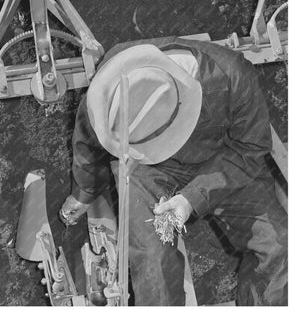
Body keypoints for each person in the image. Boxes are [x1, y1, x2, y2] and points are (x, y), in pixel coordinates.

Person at [59, 37, 287, 306]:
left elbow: (251, 147)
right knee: (154, 265)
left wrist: (193, 197)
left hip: (224, 159)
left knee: (282, 249)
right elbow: (87, 139)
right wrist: (85, 191)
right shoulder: (109, 89)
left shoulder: (234, 76)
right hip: (147, 167)